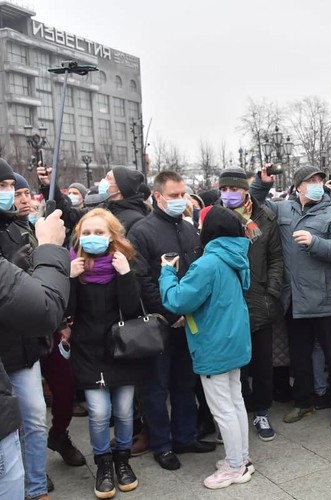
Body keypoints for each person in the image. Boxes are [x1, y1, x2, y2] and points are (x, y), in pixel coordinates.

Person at [251, 165, 331, 429]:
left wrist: (315, 242)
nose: (317, 183)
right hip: (294, 298)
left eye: (320, 179)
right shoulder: (284, 209)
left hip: (325, 297)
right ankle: (303, 403)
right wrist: (261, 184)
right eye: (311, 180)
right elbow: (254, 205)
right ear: (298, 186)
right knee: (299, 356)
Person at [160, 205, 253, 490]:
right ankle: (242, 459)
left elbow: (177, 301)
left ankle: (235, 467)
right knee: (235, 402)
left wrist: (166, 272)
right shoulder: (236, 255)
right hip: (234, 340)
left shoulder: (208, 263)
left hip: (213, 344)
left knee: (222, 408)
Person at [127, 171, 214, 471]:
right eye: (174, 196)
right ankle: (162, 444)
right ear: (157, 197)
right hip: (159, 323)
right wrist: (169, 313)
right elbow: (141, 279)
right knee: (156, 386)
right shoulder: (141, 232)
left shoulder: (190, 229)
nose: (180, 200)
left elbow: (197, 271)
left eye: (183, 194)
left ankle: (185, 437)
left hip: (189, 322)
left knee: (185, 382)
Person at [67, 208, 145, 498]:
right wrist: (71, 279)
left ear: (112, 236)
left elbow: (133, 309)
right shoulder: (74, 264)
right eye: (86, 233)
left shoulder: (123, 263)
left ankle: (122, 460)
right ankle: (103, 464)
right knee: (100, 413)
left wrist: (125, 274)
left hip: (120, 349)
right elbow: (67, 312)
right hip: (87, 350)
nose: (92, 237)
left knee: (124, 411)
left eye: (99, 232)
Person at [0, 206, 69, 500]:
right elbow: (43, 306)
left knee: (35, 418)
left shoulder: (17, 228)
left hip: (24, 347)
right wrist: (51, 248)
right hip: (10, 347)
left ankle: (37, 487)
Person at [218, 167, 284, 442]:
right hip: (228, 301)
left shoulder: (265, 217)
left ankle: (261, 411)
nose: (229, 194)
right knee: (235, 364)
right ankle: (237, 412)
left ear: (245, 190)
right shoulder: (216, 218)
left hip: (259, 299)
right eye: (225, 189)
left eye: (234, 189)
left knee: (262, 362)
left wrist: (271, 291)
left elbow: (276, 258)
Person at [38, 165, 149, 234]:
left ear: (120, 188)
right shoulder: (100, 210)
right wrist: (49, 186)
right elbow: (68, 215)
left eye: (108, 178)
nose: (103, 181)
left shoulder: (135, 220)